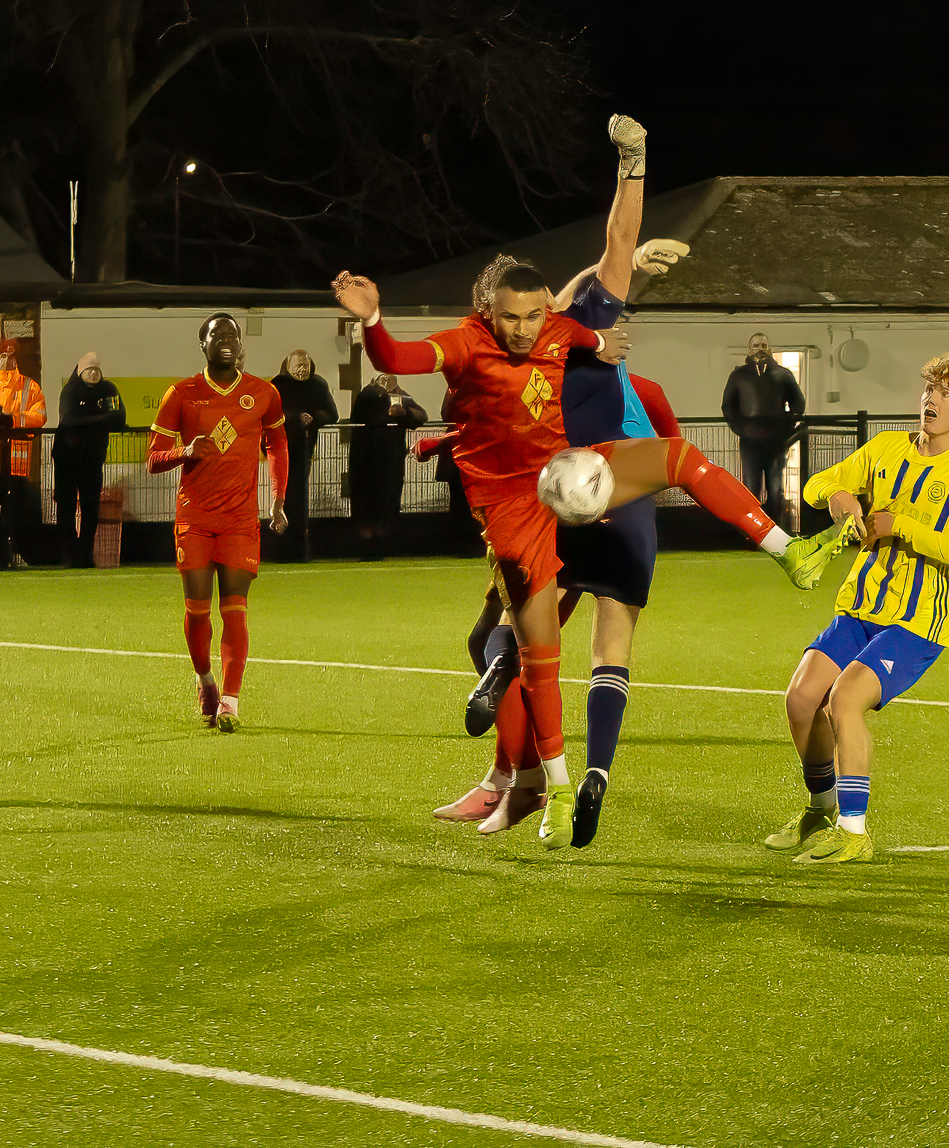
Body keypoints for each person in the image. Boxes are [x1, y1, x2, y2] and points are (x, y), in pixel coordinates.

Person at [337, 114, 842, 850]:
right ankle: (542, 778)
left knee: (515, 644)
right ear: (490, 312)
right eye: (514, 315)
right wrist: (387, 338)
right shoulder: (523, 334)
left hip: (577, 489)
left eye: (536, 312)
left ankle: (527, 780)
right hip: (551, 495)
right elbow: (489, 371)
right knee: (555, 644)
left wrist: (631, 178)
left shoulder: (559, 325)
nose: (527, 325)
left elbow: (608, 260)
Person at [439, 240, 689, 849]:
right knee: (607, 644)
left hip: (556, 506)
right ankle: (577, 775)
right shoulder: (628, 378)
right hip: (615, 503)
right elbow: (672, 448)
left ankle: (520, 778)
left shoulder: (537, 360)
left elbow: (592, 283)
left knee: (505, 639)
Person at [770, 354, 949, 863]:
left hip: (917, 622)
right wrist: (841, 499)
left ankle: (854, 832)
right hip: (860, 607)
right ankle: (821, 809)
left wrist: (902, 526)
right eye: (930, 389)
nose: (932, 399)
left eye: (947, 393)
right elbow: (816, 485)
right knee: (801, 698)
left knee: (844, 699)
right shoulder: (887, 447)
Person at [145, 313, 288, 732]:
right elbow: (152, 459)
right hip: (195, 518)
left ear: (241, 345)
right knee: (197, 610)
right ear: (202, 344)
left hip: (240, 520)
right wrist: (184, 451)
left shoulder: (264, 393)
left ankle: (230, 701)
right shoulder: (182, 394)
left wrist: (279, 498)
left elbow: (278, 445)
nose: (225, 339)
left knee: (235, 610)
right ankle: (205, 677)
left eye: (232, 334)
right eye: (216, 334)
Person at [0, 339, 45, 569]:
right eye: (2, 356)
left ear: (16, 359)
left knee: (14, 508)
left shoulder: (30, 386)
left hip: (17, 456)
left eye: (11, 356)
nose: (6, 360)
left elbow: (40, 415)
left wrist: (11, 420)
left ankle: (12, 553)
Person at [52, 352, 126, 567]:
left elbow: (119, 418)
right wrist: (102, 419)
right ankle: (69, 554)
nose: (93, 374)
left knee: (91, 507)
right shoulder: (70, 390)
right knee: (66, 506)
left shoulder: (109, 389)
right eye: (89, 370)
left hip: (93, 459)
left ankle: (86, 554)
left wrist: (91, 421)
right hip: (66, 458)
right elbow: (68, 420)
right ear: (80, 371)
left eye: (96, 370)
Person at [722, 332, 805, 524]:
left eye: (763, 345)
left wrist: (786, 426)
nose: (759, 349)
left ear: (769, 348)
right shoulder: (738, 376)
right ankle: (753, 531)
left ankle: (776, 530)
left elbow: (798, 403)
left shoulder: (783, 375)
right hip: (750, 442)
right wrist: (742, 429)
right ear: (749, 349)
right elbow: (728, 406)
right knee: (751, 489)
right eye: (756, 345)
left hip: (776, 442)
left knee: (776, 489)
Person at [347, 373, 425, 559]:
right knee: (365, 500)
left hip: (390, 459)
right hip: (366, 459)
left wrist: (405, 412)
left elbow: (421, 417)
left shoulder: (402, 398)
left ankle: (381, 543)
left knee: (387, 500)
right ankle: (367, 543)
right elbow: (359, 414)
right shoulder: (366, 396)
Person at [271, 350, 338, 561]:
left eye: (306, 366)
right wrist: (294, 419)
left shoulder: (318, 385)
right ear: (288, 366)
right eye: (298, 366)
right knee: (281, 496)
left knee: (299, 498)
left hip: (305, 449)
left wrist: (314, 418)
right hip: (279, 448)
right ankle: (281, 546)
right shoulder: (277, 385)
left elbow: (332, 414)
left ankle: (298, 547)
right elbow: (270, 415)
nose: (302, 370)